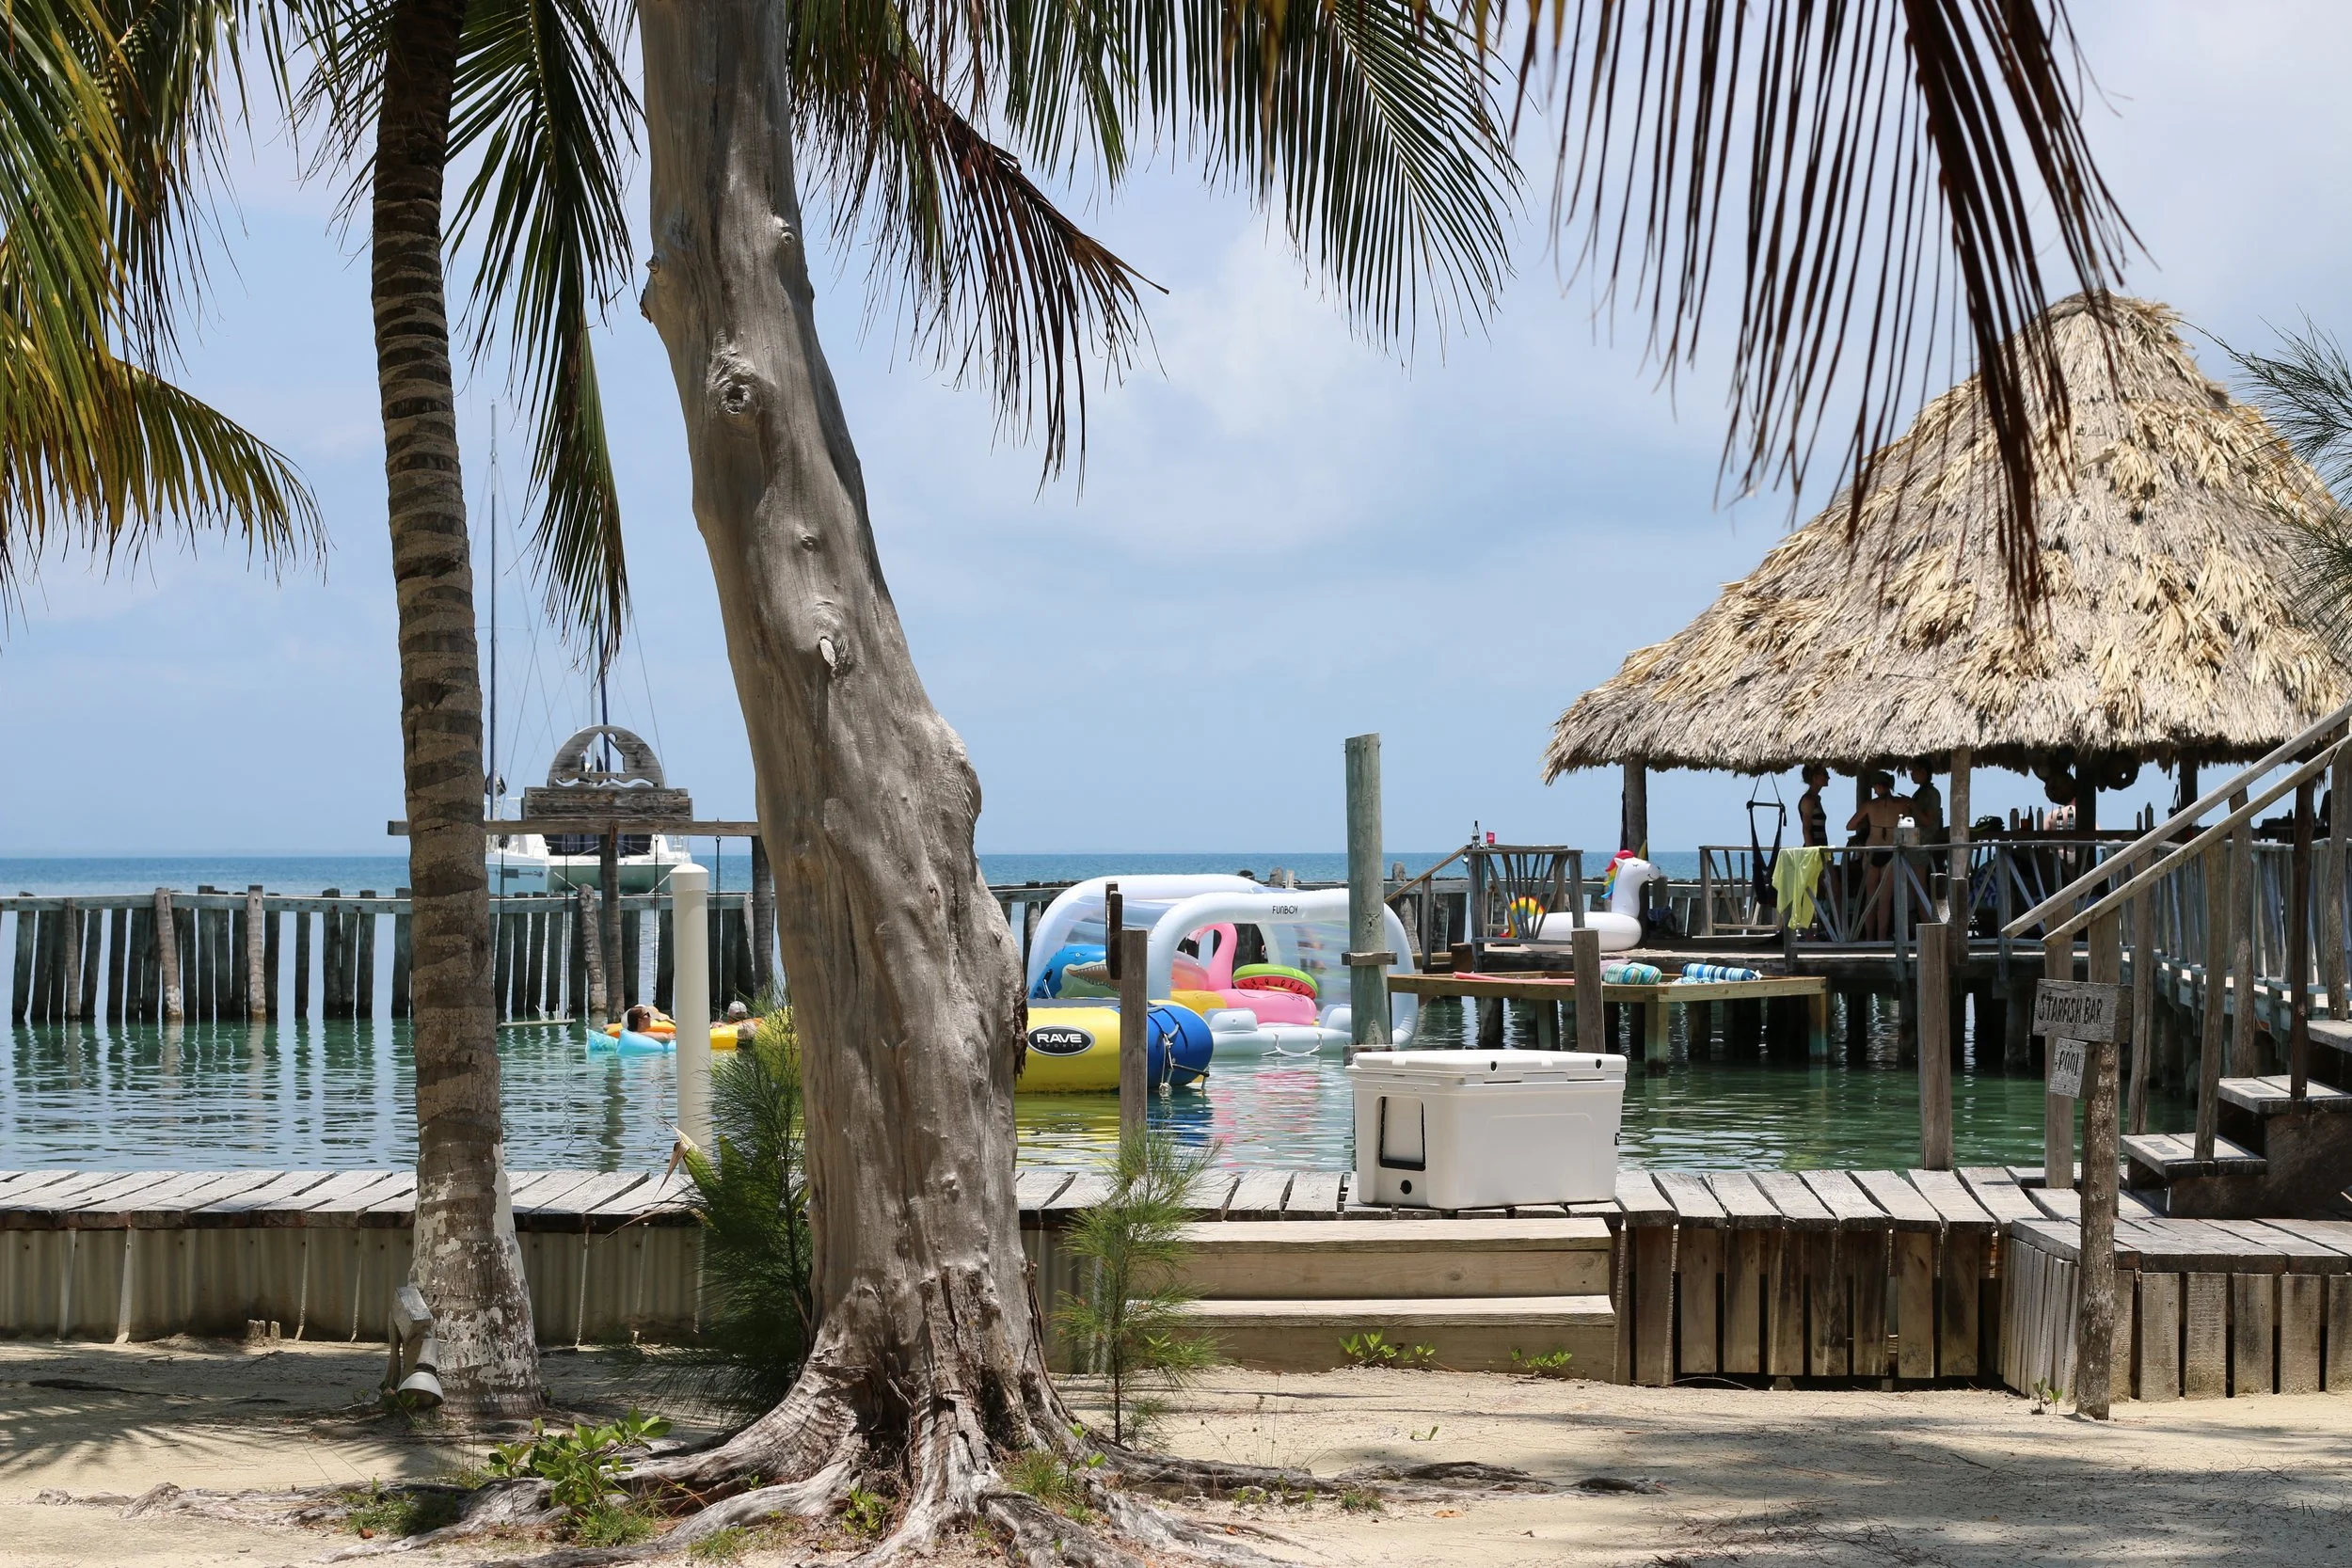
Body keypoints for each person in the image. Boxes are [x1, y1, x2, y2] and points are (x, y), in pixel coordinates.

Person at [1907, 763, 1946, 844]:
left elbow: (1928, 821)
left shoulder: (1932, 793)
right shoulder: (1921, 792)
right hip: (1916, 838)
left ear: (1923, 772)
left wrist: (1912, 804)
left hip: (1926, 841)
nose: (1911, 774)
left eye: (1914, 770)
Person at [1798, 764, 1831, 848]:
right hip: (1814, 849)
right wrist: (1811, 852)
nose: (1828, 778)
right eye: (1825, 774)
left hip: (1820, 848)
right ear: (1815, 777)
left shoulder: (1816, 799)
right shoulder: (1808, 800)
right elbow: (1806, 830)